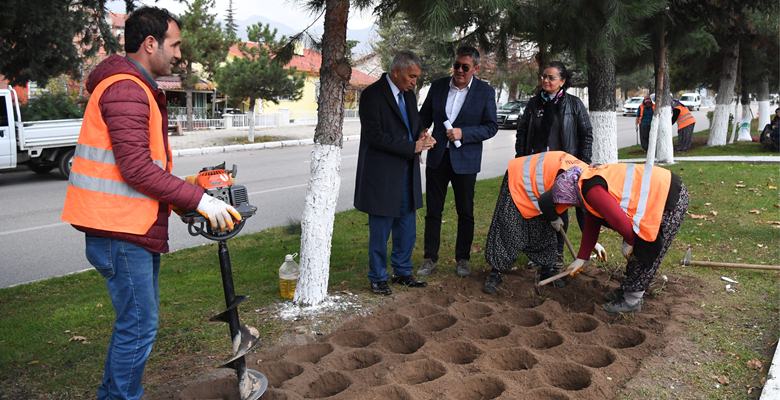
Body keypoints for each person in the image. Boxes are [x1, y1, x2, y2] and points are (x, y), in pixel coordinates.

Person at [60, 7, 241, 399]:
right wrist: (200, 202)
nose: (178, 54)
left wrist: (191, 189)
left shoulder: (134, 87)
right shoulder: (126, 88)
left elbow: (145, 167)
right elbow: (136, 170)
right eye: (174, 45)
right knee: (139, 326)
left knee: (136, 323)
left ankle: (114, 394)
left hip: (129, 229)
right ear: (150, 43)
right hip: (120, 231)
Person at [551, 163, 689, 313]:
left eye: (569, 204)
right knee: (639, 247)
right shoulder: (586, 183)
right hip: (659, 192)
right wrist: (581, 258)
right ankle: (627, 291)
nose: (571, 207)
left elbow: (619, 221)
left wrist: (630, 242)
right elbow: (593, 222)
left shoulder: (591, 190)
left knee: (644, 249)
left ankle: (631, 301)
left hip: (666, 197)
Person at [354, 51, 435, 295]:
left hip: (407, 172)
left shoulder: (408, 95)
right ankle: (378, 276)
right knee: (381, 229)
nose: (414, 82)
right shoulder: (372, 95)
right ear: (397, 71)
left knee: (406, 226)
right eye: (411, 76)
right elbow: (375, 136)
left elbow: (415, 122)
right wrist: (412, 147)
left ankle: (402, 271)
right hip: (382, 174)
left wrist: (422, 133)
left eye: (417, 78)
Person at [416, 46, 498, 278]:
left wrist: (464, 133)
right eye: (456, 66)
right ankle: (429, 258)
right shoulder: (439, 86)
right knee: (433, 211)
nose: (459, 71)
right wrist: (423, 132)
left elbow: (491, 126)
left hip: (466, 160)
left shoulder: (484, 92)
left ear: (475, 68)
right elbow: (424, 116)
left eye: (465, 67)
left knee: (466, 212)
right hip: (438, 157)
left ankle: (463, 259)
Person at [482, 151, 606, 294]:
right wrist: (553, 218)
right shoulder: (572, 179)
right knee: (510, 227)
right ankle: (495, 273)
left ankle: (547, 270)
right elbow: (546, 202)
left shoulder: (585, 179)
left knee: (544, 228)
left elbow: (584, 211)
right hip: (519, 179)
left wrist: (592, 243)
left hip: (540, 189)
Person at [515, 60, 593, 272]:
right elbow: (522, 132)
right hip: (536, 166)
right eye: (543, 77)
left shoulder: (574, 104)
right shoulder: (534, 104)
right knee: (538, 209)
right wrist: (520, 159)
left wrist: (582, 163)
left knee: (559, 208)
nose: (546, 81)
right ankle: (539, 252)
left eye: (551, 77)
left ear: (562, 81)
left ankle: (557, 252)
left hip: (565, 167)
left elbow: (586, 134)